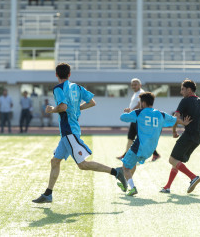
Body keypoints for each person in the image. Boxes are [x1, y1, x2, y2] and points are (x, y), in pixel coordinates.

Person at [32, 63, 128, 203]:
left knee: (82, 165)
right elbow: (92, 102)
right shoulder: (77, 87)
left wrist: (51, 109)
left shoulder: (58, 88)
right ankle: (48, 194)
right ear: (69, 74)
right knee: (55, 161)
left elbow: (63, 106)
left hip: (69, 131)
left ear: (56, 75)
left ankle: (116, 172)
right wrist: (76, 110)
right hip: (69, 131)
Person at [120, 92, 191, 196]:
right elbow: (174, 119)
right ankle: (127, 183)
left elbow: (123, 118)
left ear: (143, 103)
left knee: (125, 167)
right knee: (133, 163)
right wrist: (184, 123)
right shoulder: (160, 114)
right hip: (150, 150)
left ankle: (132, 187)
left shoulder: (139, 112)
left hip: (138, 147)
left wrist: (128, 112)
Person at [161, 79, 200, 194]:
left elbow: (176, 118)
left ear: (189, 90)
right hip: (198, 138)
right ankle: (167, 187)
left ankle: (193, 177)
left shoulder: (185, 101)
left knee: (172, 159)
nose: (181, 92)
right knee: (177, 160)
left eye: (182, 89)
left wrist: (174, 131)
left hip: (188, 135)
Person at [116, 78, 161, 162]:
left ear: (140, 85)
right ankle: (126, 155)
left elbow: (140, 105)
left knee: (143, 138)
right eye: (132, 84)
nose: (133, 86)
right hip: (135, 119)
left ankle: (155, 154)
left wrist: (131, 111)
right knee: (130, 137)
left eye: (135, 84)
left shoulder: (141, 93)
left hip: (139, 119)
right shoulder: (136, 93)